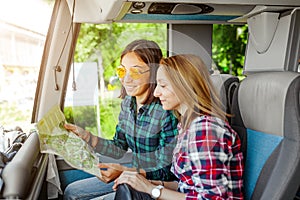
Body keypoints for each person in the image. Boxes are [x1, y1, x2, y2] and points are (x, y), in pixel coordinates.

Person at [112, 54, 244, 199]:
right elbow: (186, 185)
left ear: (184, 86)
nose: (156, 93)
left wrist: (151, 189)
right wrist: (147, 183)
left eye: (163, 85)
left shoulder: (204, 130)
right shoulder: (186, 126)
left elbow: (211, 198)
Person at [63, 39, 178, 200]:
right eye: (122, 71)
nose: (126, 79)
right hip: (133, 171)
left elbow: (167, 170)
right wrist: (87, 137)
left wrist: (126, 171)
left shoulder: (166, 111)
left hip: (157, 183)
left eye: (136, 72)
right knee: (72, 191)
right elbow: (119, 147)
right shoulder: (128, 104)